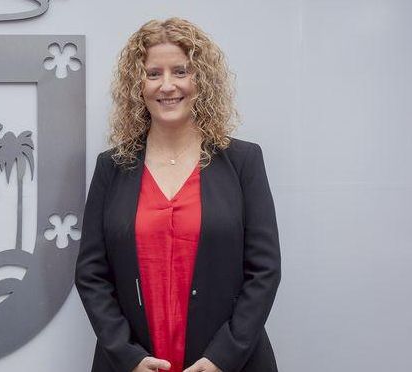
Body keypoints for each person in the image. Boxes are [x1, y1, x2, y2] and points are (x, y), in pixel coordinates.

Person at [75, 18, 281, 372]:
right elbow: (91, 273)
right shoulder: (111, 167)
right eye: (153, 73)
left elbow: (264, 270)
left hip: (230, 363)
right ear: (137, 85)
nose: (167, 86)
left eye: (180, 71)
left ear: (200, 79)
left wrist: (222, 357)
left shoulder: (243, 161)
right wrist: (128, 356)